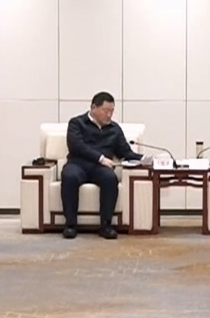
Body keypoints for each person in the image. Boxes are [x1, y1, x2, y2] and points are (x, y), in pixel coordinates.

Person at [61, 92, 146, 240]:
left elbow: (125, 152)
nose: (109, 115)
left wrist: (145, 159)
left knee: (110, 178)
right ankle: (70, 225)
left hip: (100, 169)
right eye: (105, 111)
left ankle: (106, 225)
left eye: (112, 111)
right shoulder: (77, 123)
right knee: (69, 176)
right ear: (93, 107)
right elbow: (76, 146)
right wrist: (100, 158)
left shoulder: (114, 128)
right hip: (78, 163)